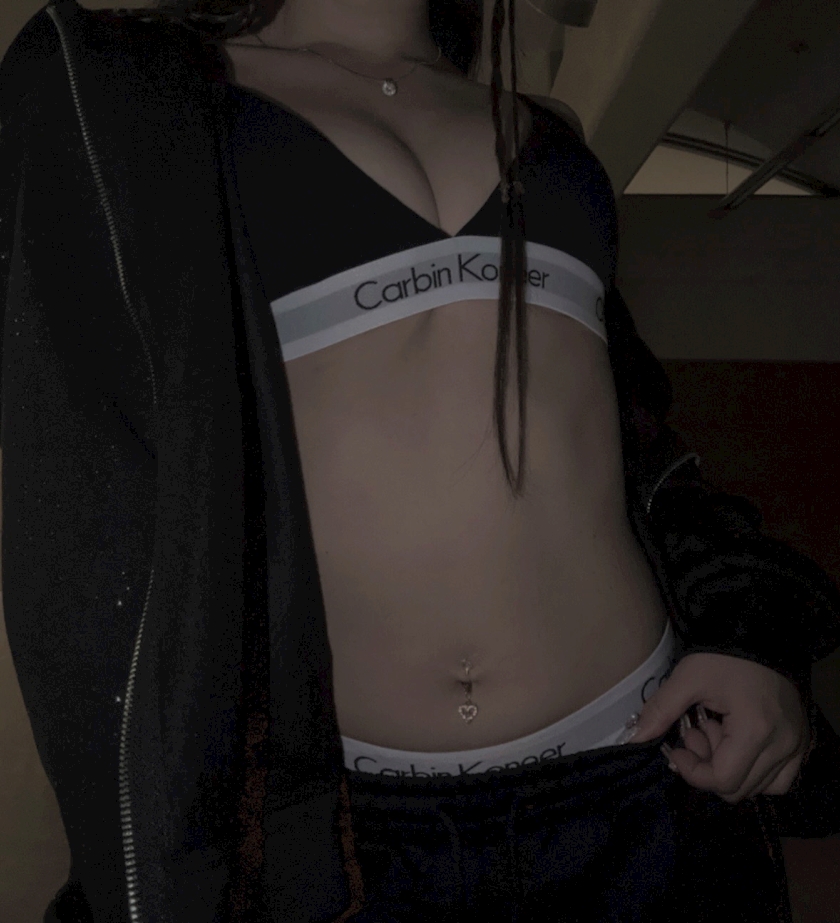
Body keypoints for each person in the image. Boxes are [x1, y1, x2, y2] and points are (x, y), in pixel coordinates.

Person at [1, 0, 839, 921]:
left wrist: (753, 638)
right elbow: (81, 524)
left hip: (637, 781)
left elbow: (642, 450)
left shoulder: (550, 137)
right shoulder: (121, 92)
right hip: (343, 840)